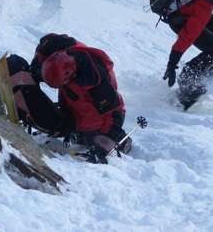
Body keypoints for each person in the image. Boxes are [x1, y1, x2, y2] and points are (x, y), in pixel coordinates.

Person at [9, 33, 129, 164]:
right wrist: (38, 66)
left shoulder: (96, 83)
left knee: (48, 121)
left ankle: (119, 141)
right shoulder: (64, 49)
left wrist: (103, 146)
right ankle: (17, 81)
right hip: (73, 108)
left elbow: (114, 113)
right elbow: (47, 42)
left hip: (89, 123)